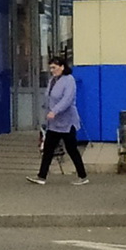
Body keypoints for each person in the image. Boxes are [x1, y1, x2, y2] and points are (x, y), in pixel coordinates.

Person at [28, 55, 89, 186]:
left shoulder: (69, 80)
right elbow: (49, 97)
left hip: (67, 121)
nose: (52, 70)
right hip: (54, 123)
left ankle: (82, 175)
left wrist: (54, 111)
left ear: (62, 67)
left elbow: (67, 100)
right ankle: (41, 176)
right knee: (48, 149)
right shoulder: (52, 80)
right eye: (50, 68)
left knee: (72, 149)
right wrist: (46, 109)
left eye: (54, 67)